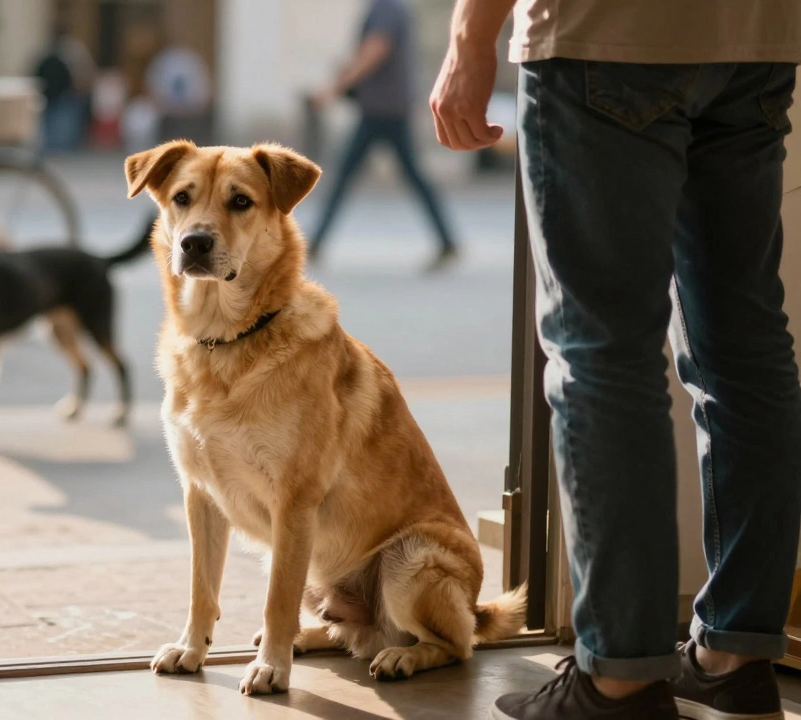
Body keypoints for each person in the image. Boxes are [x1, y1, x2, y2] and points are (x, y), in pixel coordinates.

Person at [430, 0, 801, 717]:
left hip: (607, 32)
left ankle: (620, 680)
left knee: (602, 354)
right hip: (758, 34)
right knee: (745, 349)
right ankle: (735, 655)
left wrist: (471, 32)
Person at [310, 0, 458, 271]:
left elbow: (376, 48)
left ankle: (314, 244)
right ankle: (447, 241)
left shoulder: (386, 7)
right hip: (387, 108)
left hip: (383, 109)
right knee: (408, 176)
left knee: (345, 176)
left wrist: (334, 88)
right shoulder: (391, 7)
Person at [33, 23, 96, 153]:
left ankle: (62, 151)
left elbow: (83, 73)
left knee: (63, 126)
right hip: (53, 94)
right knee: (56, 126)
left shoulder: (72, 51)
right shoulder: (52, 49)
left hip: (65, 95)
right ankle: (56, 151)